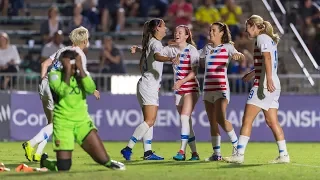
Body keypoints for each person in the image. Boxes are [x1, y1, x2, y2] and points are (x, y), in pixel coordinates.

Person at [22, 26, 99, 162]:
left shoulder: (62, 50)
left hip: (46, 84)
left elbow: (44, 64)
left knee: (51, 123)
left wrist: (42, 82)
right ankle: (31, 143)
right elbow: (81, 75)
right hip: (56, 87)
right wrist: (92, 90)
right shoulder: (80, 55)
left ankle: (38, 153)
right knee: (57, 122)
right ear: (85, 40)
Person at [40, 50, 125, 171]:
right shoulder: (54, 74)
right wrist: (68, 72)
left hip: (82, 122)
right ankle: (45, 161)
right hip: (63, 123)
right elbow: (61, 91)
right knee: (64, 167)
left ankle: (107, 161)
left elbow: (91, 88)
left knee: (104, 160)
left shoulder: (82, 75)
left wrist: (82, 70)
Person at [224, 15, 290, 164]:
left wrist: (267, 80)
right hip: (271, 82)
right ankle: (284, 155)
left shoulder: (261, 39)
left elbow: (267, 59)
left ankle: (239, 154)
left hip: (265, 84)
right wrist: (253, 73)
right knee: (272, 121)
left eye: (247, 27)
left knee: (247, 119)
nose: (246, 30)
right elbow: (267, 61)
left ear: (254, 26)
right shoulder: (268, 39)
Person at [120, 18, 179, 161]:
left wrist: (138, 48)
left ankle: (148, 152)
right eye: (164, 26)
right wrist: (170, 59)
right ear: (157, 28)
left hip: (145, 84)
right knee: (150, 121)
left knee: (148, 121)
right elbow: (157, 56)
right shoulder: (156, 44)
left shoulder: (151, 42)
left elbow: (149, 53)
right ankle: (128, 148)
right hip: (149, 86)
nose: (166, 29)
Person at [200, 22, 244, 161]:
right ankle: (216, 154)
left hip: (221, 88)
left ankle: (237, 145)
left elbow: (240, 55)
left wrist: (238, 56)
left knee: (220, 118)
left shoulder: (227, 47)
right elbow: (195, 57)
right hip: (207, 88)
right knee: (212, 121)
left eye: (213, 30)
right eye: (210, 30)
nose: (211, 32)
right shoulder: (206, 48)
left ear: (221, 33)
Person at [161, 25, 200, 161]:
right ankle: (194, 153)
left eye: (180, 32)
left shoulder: (192, 50)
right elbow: (156, 54)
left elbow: (194, 72)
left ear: (186, 36)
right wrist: (169, 59)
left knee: (184, 118)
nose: (176, 34)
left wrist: (181, 81)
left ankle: (182, 151)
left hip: (191, 88)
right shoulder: (171, 49)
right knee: (186, 122)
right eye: (175, 31)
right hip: (179, 89)